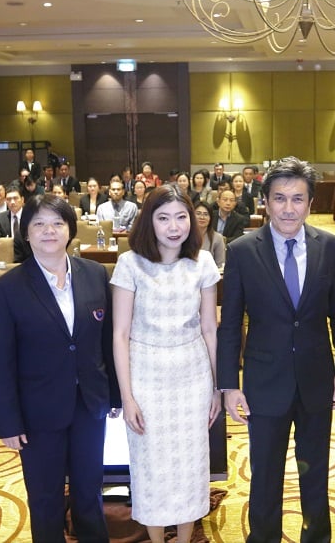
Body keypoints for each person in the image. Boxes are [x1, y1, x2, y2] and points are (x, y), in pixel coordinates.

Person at [218, 156, 335, 543]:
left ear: (311, 203)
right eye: (280, 198)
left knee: (315, 471)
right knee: (265, 473)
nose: (289, 208)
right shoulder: (243, 250)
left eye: (298, 199)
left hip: (316, 379)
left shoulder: (328, 245)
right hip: (265, 380)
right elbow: (231, 324)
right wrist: (229, 383)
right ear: (266, 200)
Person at [0, 194, 120, 543]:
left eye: (58, 223)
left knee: (89, 492)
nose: (49, 231)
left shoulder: (95, 274)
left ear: (70, 230)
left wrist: (115, 396)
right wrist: (9, 422)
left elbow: (107, 342)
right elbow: (0, 362)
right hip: (37, 413)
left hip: (89, 405)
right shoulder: (7, 288)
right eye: (39, 224)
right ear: (26, 233)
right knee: (45, 499)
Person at [109, 186, 221, 543]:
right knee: (151, 465)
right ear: (149, 222)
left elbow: (209, 328)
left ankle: (185, 538)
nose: (174, 226)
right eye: (163, 218)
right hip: (146, 375)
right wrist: (127, 397)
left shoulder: (202, 262)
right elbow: (120, 334)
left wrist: (216, 388)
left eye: (181, 216)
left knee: (190, 463)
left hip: (192, 374)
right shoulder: (130, 264)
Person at [0, 187, 28, 263]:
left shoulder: (30, 216)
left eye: (15, 198)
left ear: (22, 200)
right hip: (7, 257)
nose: (12, 202)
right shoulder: (1, 217)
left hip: (27, 257)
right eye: (9, 199)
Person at [193, 200, 226, 268]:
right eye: (198, 213)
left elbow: (220, 266)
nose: (202, 217)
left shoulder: (217, 238)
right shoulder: (184, 236)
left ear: (210, 218)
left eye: (206, 214)